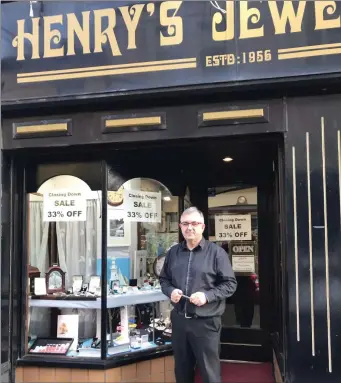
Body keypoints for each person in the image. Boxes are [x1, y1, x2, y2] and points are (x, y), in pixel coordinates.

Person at [160, 207, 237, 383]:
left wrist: (207, 296)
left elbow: (230, 284)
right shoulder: (173, 253)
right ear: (180, 226)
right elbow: (164, 280)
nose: (190, 228)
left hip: (206, 322)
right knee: (182, 371)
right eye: (185, 223)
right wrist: (170, 291)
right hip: (179, 321)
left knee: (209, 373)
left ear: (202, 227)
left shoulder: (217, 253)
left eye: (194, 223)